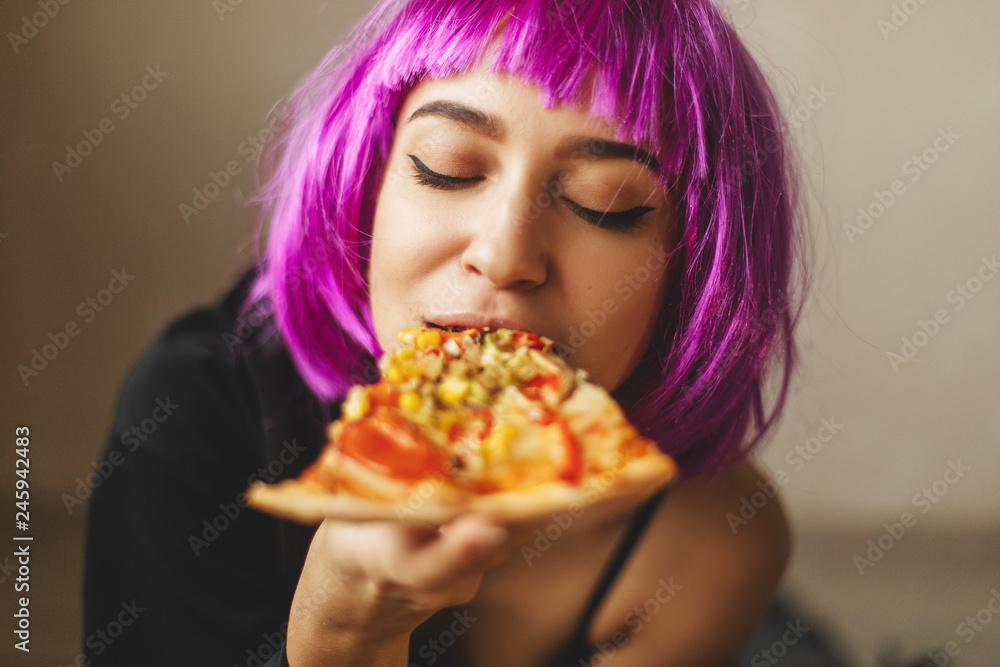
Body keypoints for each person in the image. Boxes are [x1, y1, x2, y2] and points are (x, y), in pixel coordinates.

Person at [83, 0, 804, 664]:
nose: (502, 254)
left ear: (696, 268)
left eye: (604, 203)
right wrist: (342, 635)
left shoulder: (719, 538)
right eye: (448, 168)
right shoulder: (187, 412)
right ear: (363, 186)